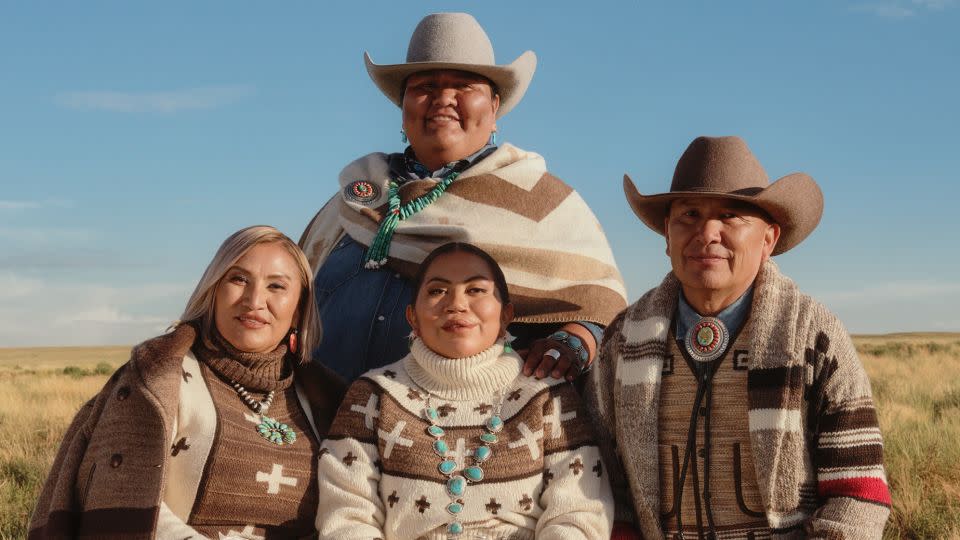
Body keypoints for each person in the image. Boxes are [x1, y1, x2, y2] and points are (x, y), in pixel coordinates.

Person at [585, 137, 891, 538]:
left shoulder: (814, 336)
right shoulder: (623, 342)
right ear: (666, 234)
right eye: (689, 215)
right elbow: (601, 477)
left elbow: (859, 492)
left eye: (730, 216)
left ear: (768, 240)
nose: (707, 233)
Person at [300, 12, 626, 384]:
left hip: (458, 434)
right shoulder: (357, 195)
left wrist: (573, 341)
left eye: (464, 86)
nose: (443, 98)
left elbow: (599, 308)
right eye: (424, 86)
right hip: (318, 423)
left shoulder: (541, 201)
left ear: (494, 108)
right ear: (403, 108)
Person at [29, 226, 345, 539]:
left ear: (298, 309)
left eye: (276, 286)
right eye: (238, 279)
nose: (254, 300)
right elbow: (128, 500)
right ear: (213, 290)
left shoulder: (327, 400)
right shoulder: (156, 380)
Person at [316, 242, 613, 539]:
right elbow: (347, 515)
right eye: (437, 291)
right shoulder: (373, 396)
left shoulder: (547, 397)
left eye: (476, 290)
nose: (456, 304)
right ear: (413, 318)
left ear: (506, 315)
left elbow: (578, 513)